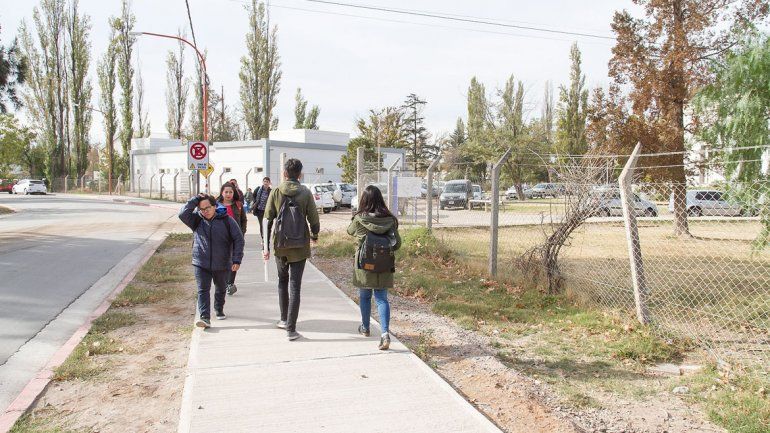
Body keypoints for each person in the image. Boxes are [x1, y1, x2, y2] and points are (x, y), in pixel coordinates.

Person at [263, 159, 320, 341]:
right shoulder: (305, 192)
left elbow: (267, 219)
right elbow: (314, 219)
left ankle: (283, 319)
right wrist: (315, 235)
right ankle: (291, 329)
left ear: (285, 174)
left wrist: (265, 245)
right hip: (300, 245)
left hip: (281, 245)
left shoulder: (276, 191)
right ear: (300, 174)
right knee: (295, 286)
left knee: (282, 282)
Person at [347, 185, 401, 350]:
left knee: (364, 296)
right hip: (384, 264)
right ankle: (384, 334)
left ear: (364, 200)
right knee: (381, 298)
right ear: (380, 200)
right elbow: (397, 244)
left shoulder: (360, 219)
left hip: (364, 264)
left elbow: (349, 231)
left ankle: (365, 327)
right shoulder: (390, 220)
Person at [179, 193, 244, 328]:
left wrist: (236, 259)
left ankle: (219, 308)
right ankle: (205, 317)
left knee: (220, 288)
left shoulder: (227, 220)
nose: (205, 211)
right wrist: (195, 199)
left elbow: (239, 239)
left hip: (222, 262)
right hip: (201, 262)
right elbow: (182, 214)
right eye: (202, 209)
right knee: (203, 289)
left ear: (215, 206)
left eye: (208, 208)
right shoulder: (197, 220)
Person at [217, 182, 247, 296]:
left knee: (235, 260)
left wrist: (241, 233)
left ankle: (230, 283)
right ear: (222, 192)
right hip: (221, 239)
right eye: (226, 192)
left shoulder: (238, 205)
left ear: (234, 193)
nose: (228, 194)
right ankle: (223, 282)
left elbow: (243, 220)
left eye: (230, 192)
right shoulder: (216, 205)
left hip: (235, 239)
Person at [251, 177, 273, 250]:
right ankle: (263, 239)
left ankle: (266, 241)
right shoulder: (258, 189)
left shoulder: (271, 191)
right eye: (264, 181)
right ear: (263, 182)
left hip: (267, 211)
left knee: (268, 226)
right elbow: (253, 195)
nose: (265, 183)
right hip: (260, 210)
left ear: (269, 183)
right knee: (262, 225)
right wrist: (255, 202)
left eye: (267, 181)